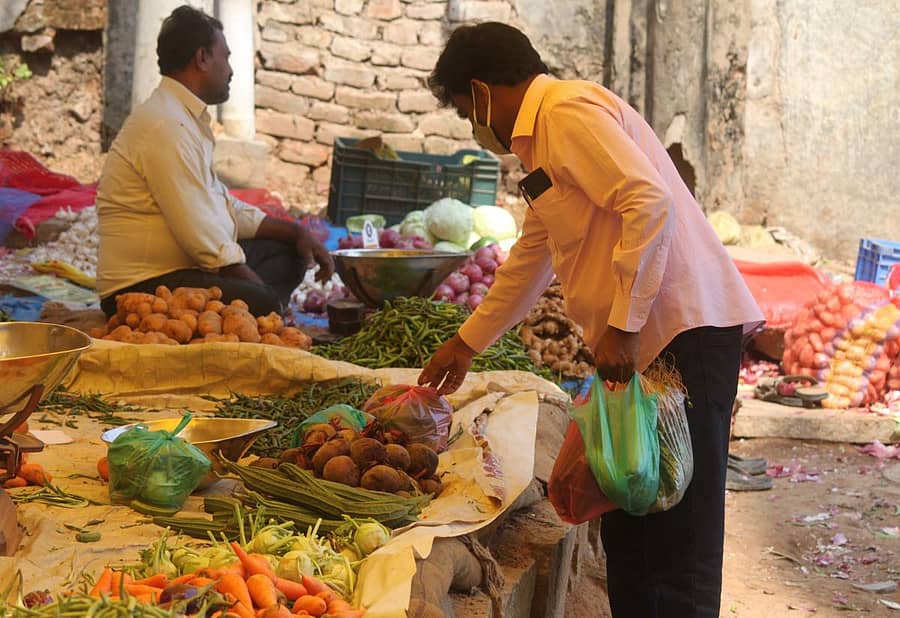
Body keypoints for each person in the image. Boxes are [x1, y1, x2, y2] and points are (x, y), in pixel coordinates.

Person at [417, 22, 764, 618]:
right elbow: (532, 255)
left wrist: (624, 325)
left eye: (462, 112)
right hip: (648, 342)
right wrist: (466, 343)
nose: (471, 128)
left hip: (681, 332)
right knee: (632, 511)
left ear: (480, 92)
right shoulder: (543, 142)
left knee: (677, 532)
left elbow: (649, 203)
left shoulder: (566, 113)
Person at [96, 5, 333, 317]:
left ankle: (260, 310)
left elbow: (220, 205)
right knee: (260, 303)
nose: (231, 70)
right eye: (227, 57)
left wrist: (297, 233)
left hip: (182, 269)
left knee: (288, 254)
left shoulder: (182, 117)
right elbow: (204, 238)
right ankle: (264, 314)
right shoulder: (166, 125)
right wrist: (267, 305)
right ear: (202, 58)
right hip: (139, 287)